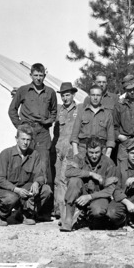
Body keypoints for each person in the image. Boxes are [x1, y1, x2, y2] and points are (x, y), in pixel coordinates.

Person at [9, 63, 57, 187]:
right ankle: (21, 197)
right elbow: (12, 110)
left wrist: (48, 121)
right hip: (27, 131)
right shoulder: (23, 90)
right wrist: (20, 127)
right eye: (35, 75)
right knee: (23, 162)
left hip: (42, 133)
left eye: (41, 75)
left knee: (43, 164)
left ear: (45, 76)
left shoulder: (50, 92)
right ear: (30, 75)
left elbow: (54, 112)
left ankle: (42, 199)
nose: (38, 78)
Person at [0, 124, 52, 226]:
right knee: (11, 198)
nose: (25, 142)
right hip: (7, 190)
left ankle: (24, 213)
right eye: (23, 139)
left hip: (24, 189)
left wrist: (37, 183)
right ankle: (1, 214)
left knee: (46, 190)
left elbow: (40, 175)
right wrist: (16, 190)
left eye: (28, 140)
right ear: (16, 139)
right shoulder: (6, 154)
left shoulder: (34, 155)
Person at [60, 137, 118, 232]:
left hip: (98, 196)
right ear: (86, 150)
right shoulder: (79, 157)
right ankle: (68, 220)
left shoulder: (109, 163)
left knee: (98, 211)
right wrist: (91, 174)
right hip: (81, 194)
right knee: (74, 181)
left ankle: (90, 218)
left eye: (97, 152)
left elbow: (109, 190)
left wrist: (90, 197)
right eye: (91, 152)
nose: (94, 156)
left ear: (102, 151)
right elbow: (68, 172)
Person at [53, 82, 81, 221]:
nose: (65, 98)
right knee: (59, 181)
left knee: (71, 181)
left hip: (73, 150)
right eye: (63, 95)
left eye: (68, 95)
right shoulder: (59, 110)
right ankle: (61, 214)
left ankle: (70, 214)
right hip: (60, 150)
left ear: (73, 94)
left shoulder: (80, 109)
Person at [70, 84, 115, 158]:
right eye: (93, 95)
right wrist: (76, 153)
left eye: (98, 95)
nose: (95, 98)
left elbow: (111, 139)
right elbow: (74, 136)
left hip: (101, 151)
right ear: (89, 96)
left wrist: (107, 155)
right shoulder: (81, 113)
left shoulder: (107, 114)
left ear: (102, 97)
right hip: (83, 150)